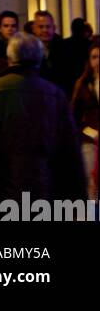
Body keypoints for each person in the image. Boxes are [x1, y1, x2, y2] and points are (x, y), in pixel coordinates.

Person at [0, 34, 85, 218]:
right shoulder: (55, 94)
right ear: (39, 58)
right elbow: (69, 150)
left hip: (3, 189)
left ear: (9, 58)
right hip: (45, 189)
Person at [71, 38, 100, 200]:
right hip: (90, 140)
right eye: (94, 57)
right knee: (91, 187)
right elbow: (73, 117)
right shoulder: (83, 84)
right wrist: (90, 132)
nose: (98, 62)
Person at [31, 10, 74, 94]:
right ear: (33, 29)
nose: (45, 30)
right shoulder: (28, 50)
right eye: (41, 27)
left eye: (48, 27)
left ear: (54, 28)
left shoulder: (66, 49)